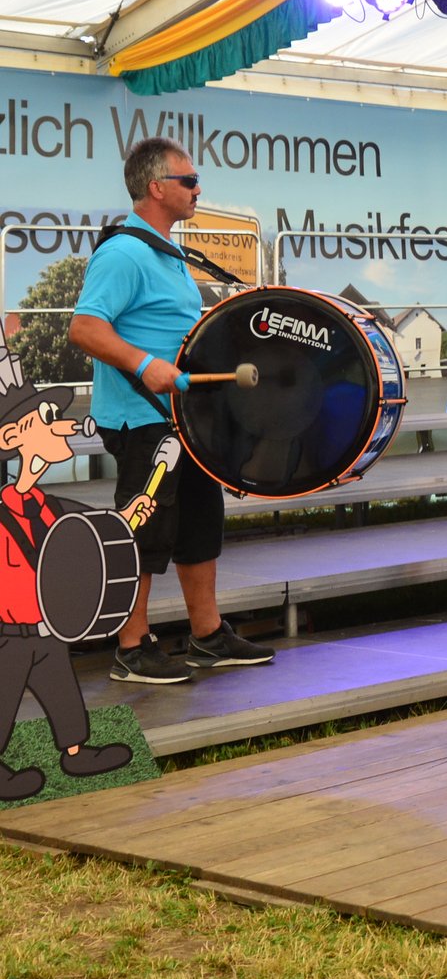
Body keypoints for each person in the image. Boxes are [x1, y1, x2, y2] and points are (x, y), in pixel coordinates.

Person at [69, 137, 273, 684]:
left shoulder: (167, 253)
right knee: (144, 532)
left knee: (200, 525)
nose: (198, 189)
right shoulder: (123, 253)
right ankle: (131, 649)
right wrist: (144, 364)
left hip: (183, 419)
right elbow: (84, 328)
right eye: (190, 180)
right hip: (142, 418)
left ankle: (207, 636)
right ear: (157, 187)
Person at [0, 344, 148, 799]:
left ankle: (76, 752)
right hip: (9, 635)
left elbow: (93, 530)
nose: (63, 424)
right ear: (12, 437)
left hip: (47, 630)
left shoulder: (52, 506)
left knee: (61, 691)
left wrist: (130, 516)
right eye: (47, 418)